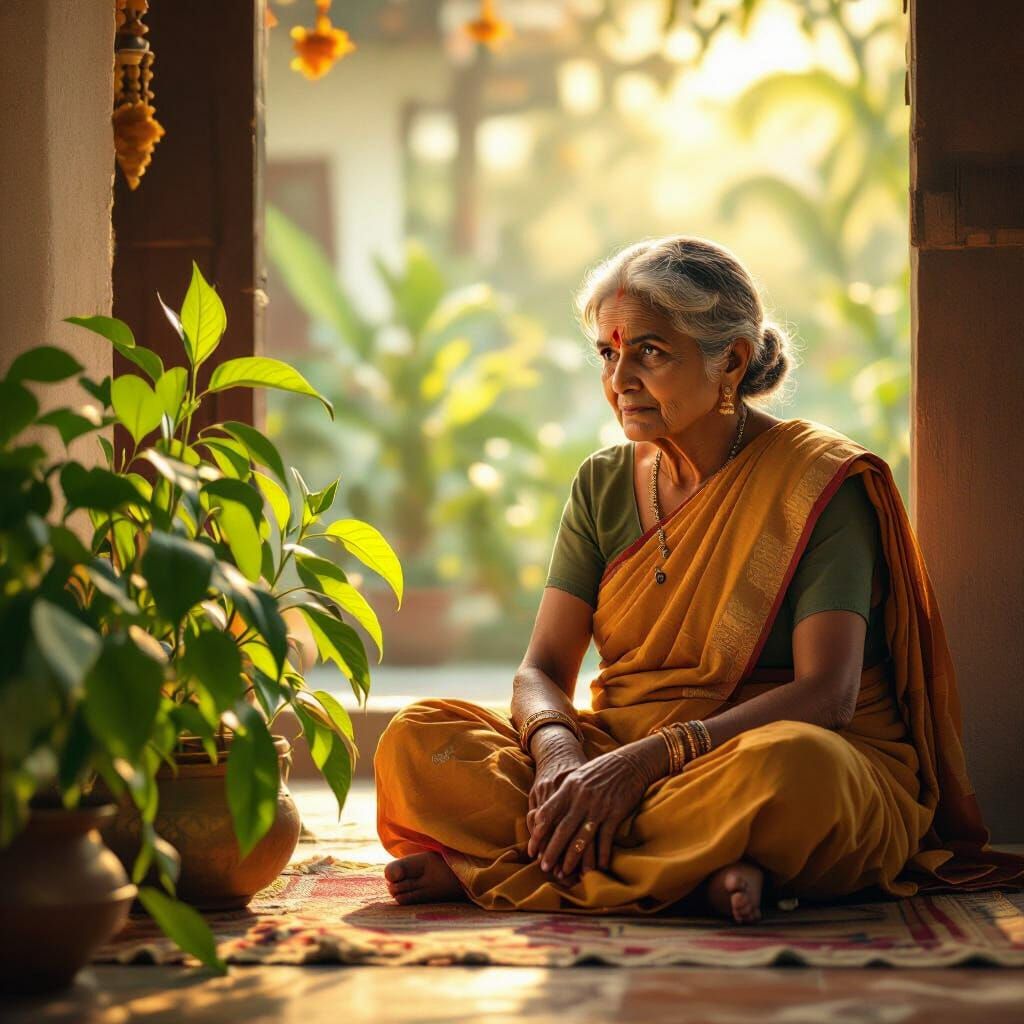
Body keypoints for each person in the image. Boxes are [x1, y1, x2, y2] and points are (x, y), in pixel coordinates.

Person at [373, 236, 1024, 922]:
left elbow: (827, 698)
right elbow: (540, 670)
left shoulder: (819, 483)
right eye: (607, 352)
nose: (620, 378)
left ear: (732, 361)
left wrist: (648, 763)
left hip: (764, 757)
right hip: (621, 754)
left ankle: (508, 865)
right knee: (417, 739)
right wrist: (562, 755)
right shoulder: (602, 483)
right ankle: (705, 871)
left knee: (797, 771)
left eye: (649, 352)